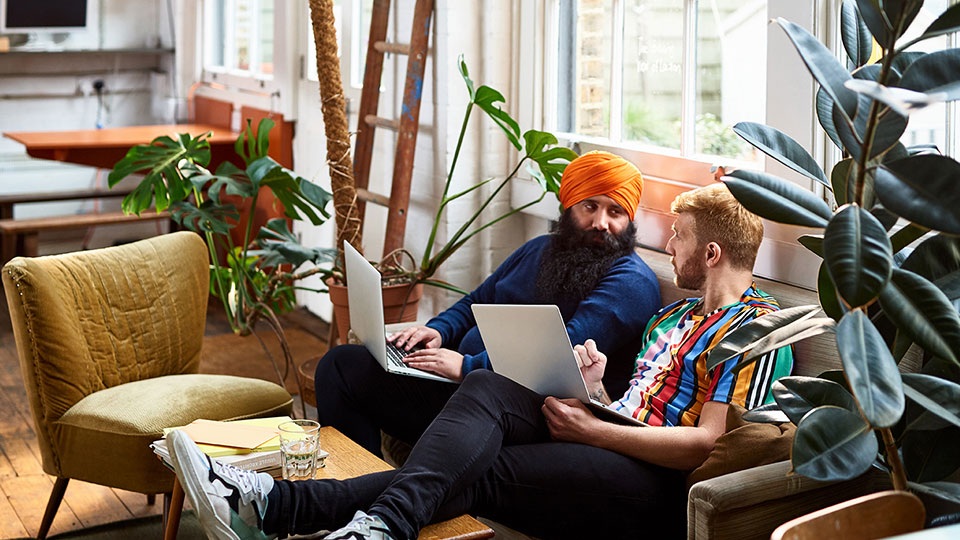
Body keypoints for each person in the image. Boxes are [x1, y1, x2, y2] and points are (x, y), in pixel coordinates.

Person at [168, 183, 794, 540]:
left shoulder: (758, 328)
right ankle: (314, 516)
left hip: (653, 484)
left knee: (479, 464)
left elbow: (706, 445)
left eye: (678, 238)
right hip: (610, 436)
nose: (669, 247)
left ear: (711, 252)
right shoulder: (673, 318)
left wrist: (595, 427)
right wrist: (598, 392)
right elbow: (632, 406)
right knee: (485, 402)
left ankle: (281, 506)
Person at [315, 150, 661, 456]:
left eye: (615, 211)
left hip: (529, 410)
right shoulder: (540, 249)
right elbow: (477, 301)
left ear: (630, 219)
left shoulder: (631, 282)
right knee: (341, 365)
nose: (601, 223)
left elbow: (560, 354)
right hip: (469, 386)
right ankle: (351, 488)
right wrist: (437, 332)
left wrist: (466, 366)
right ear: (568, 206)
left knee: (361, 376)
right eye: (590, 206)